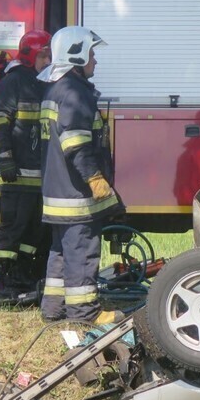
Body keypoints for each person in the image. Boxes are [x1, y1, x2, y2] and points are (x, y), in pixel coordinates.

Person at [37, 26, 125, 325]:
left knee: (61, 252)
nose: (96, 62)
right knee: (82, 251)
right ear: (77, 54)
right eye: (92, 54)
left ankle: (54, 308)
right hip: (75, 194)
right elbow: (76, 144)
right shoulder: (75, 93)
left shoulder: (56, 88)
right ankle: (85, 312)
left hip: (57, 191)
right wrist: (95, 178)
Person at [0, 29, 52, 299]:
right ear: (30, 55)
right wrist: (5, 159)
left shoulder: (39, 83)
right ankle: (3, 283)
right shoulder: (12, 83)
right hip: (16, 175)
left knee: (33, 230)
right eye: (44, 55)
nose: (48, 61)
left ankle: (23, 277)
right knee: (12, 228)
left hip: (37, 177)